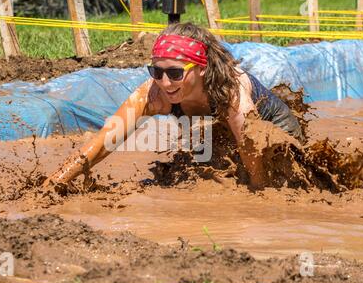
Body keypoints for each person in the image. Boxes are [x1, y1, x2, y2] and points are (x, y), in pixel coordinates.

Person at [44, 22, 304, 191]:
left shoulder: (231, 92)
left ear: (201, 69)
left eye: (175, 73)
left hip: (274, 127)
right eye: (156, 71)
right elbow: (104, 141)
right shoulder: (154, 93)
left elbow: (253, 151)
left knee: (284, 181)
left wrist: (261, 199)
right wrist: (54, 182)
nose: (165, 82)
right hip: (217, 133)